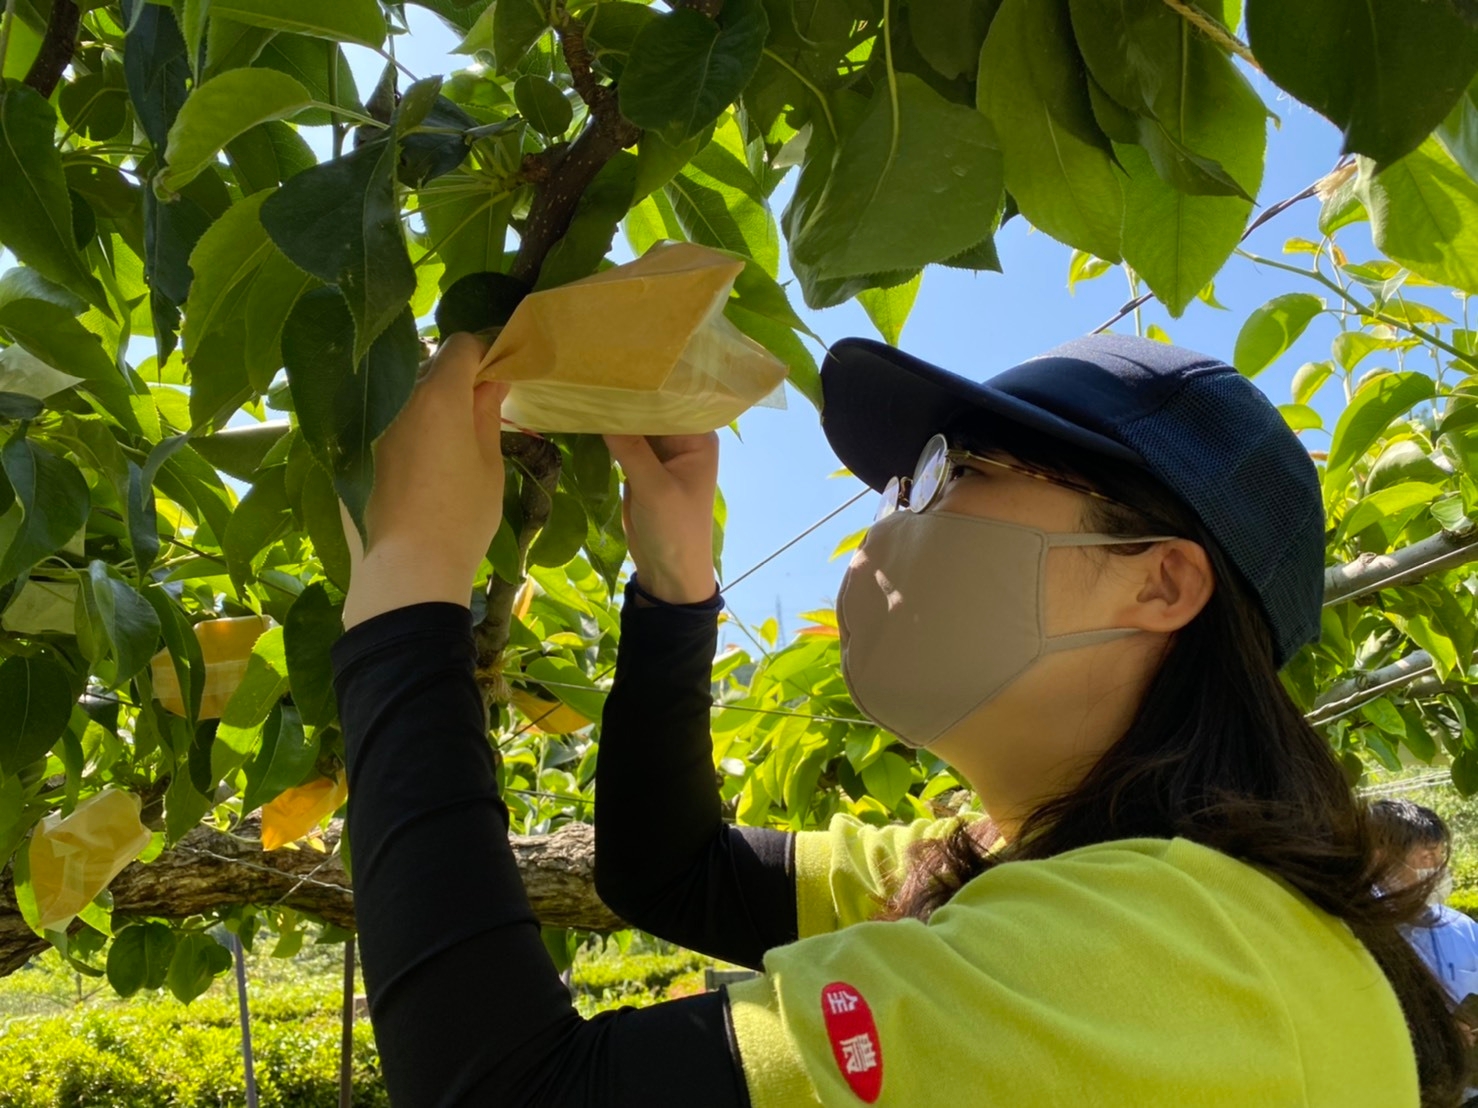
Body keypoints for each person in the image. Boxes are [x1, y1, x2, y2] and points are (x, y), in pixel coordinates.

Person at [332, 331, 1468, 1107]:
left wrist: (408, 586)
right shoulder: (1043, 862)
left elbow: (506, 1089)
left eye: (955, 471)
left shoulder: (1174, 952)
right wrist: (675, 590)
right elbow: (670, 871)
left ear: (1159, 583)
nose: (891, 521)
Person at [1370, 800, 1478, 1007]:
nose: (1439, 867)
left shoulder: (1465, 930)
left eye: (1441, 854)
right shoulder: (1358, 931)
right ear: (1380, 859)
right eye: (1427, 856)